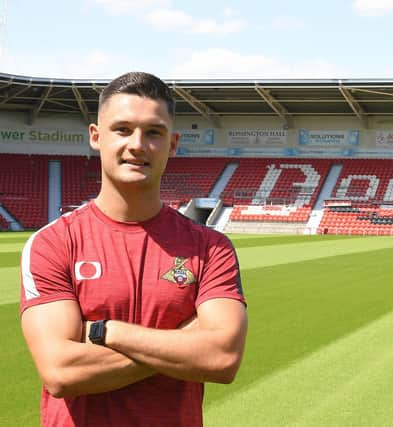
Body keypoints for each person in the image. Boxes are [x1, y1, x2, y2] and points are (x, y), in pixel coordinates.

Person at [20, 72, 248, 427]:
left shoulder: (211, 247)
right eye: (122, 129)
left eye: (153, 132)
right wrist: (182, 345)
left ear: (172, 144)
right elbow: (61, 371)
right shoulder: (52, 243)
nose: (137, 144)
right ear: (97, 136)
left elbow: (222, 359)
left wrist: (104, 331)